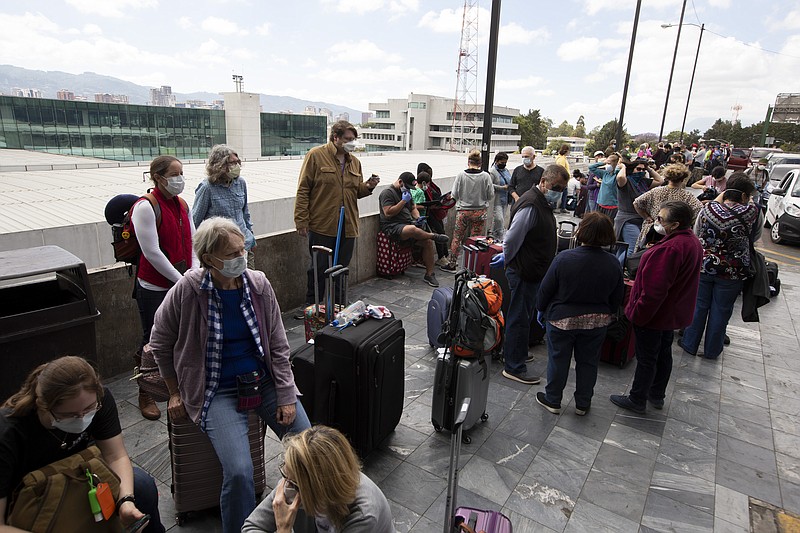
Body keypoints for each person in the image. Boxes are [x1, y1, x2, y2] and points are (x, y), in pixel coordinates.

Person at [148, 217, 311, 533]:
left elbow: (278, 344)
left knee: (308, 448)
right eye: (233, 253)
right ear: (209, 259)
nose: (242, 257)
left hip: (262, 381)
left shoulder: (258, 284)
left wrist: (286, 394)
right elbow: (160, 340)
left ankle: (306, 516)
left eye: (243, 249)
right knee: (239, 472)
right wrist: (175, 391)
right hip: (215, 390)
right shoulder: (188, 289)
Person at [0, 356, 165, 533]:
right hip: (31, 501)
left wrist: (126, 501)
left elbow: (115, 455)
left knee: (142, 486)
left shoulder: (100, 399)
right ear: (42, 405)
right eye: (69, 415)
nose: (81, 418)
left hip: (82, 478)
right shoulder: (8, 432)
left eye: (88, 409)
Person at [610, 201, 703, 414]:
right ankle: (656, 394)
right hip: (669, 314)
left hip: (655, 315)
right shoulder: (690, 242)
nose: (657, 222)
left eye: (661, 219)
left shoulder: (671, 248)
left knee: (647, 358)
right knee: (662, 354)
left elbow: (654, 290)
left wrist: (637, 314)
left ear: (676, 224)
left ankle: (638, 398)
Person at [535, 213, 624, 416]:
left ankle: (553, 399)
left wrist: (541, 310)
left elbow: (545, 290)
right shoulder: (613, 263)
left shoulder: (564, 257)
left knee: (558, 359)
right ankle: (583, 403)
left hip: (562, 318)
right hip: (597, 320)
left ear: (581, 231)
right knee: (588, 362)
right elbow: (617, 297)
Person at [489, 165, 570, 385]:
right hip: (523, 270)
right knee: (519, 317)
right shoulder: (532, 203)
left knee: (524, 314)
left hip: (532, 271)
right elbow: (513, 238)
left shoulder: (540, 201)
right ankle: (514, 366)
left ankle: (518, 352)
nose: (559, 192)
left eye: (562, 189)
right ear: (544, 181)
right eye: (556, 187)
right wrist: (508, 259)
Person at [132, 155, 198, 420]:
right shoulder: (145, 207)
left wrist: (192, 272)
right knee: (151, 340)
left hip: (180, 281)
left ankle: (175, 386)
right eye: (174, 174)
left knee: (180, 335)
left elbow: (193, 240)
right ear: (158, 177)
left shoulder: (182, 204)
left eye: (181, 173)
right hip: (154, 286)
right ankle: (145, 390)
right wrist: (182, 280)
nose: (179, 179)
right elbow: (152, 252)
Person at [242, 426, 395, 533]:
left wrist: (284, 530)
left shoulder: (363, 515)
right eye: (285, 475)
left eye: (294, 484)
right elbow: (252, 527)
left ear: (319, 487)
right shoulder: (295, 480)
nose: (285, 486)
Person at [294, 120, 380, 309]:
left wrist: (368, 186)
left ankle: (340, 305)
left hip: (348, 225)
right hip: (322, 224)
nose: (352, 143)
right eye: (348, 139)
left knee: (341, 268)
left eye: (354, 139)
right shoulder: (316, 156)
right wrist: (301, 219)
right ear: (336, 138)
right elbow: (303, 189)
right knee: (318, 268)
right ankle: (313, 304)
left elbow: (356, 192)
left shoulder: (354, 162)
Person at [679, 174, 762, 360]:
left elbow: (697, 232)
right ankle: (712, 350)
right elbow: (755, 237)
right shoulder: (753, 211)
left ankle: (689, 343)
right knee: (722, 310)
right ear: (744, 196)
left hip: (704, 265)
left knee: (699, 306)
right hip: (734, 270)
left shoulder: (708, 208)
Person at [379, 172, 449, 287]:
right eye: (407, 187)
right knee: (413, 229)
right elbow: (388, 213)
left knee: (427, 241)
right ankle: (434, 236)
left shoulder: (407, 193)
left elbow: (413, 208)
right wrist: (402, 201)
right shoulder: (387, 193)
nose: (408, 190)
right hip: (392, 227)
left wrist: (417, 217)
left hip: (407, 224)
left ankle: (430, 274)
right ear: (400, 182)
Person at [193, 144, 257, 268]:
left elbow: (245, 213)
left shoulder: (241, 183)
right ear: (220, 165)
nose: (237, 166)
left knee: (249, 281)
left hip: (243, 244)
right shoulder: (207, 188)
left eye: (237, 162)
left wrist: (251, 236)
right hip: (220, 250)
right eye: (232, 163)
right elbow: (196, 220)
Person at [440, 150, 494, 273]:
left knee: (457, 238)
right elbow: (490, 195)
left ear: (468, 162)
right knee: (476, 240)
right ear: (480, 163)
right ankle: (472, 266)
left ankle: (452, 263)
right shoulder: (485, 176)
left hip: (463, 211)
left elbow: (454, 194)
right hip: (480, 212)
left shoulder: (461, 175)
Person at [632, 163, 703, 253]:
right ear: (683, 179)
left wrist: (646, 217)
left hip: (653, 228)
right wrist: (687, 223)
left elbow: (636, 203)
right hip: (674, 232)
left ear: (667, 178)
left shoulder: (656, 191)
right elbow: (699, 208)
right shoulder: (687, 196)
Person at [614, 158, 663, 264]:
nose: (641, 172)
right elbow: (621, 176)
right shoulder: (626, 181)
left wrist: (648, 168)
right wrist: (624, 167)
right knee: (632, 247)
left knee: (624, 248)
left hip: (640, 220)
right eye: (638, 169)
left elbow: (660, 181)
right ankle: (618, 269)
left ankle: (616, 267)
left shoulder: (643, 182)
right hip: (627, 219)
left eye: (643, 170)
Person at [416, 163, 451, 266]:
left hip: (434, 212)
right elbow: (416, 204)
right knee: (437, 233)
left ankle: (444, 255)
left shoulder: (430, 185)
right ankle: (441, 257)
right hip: (427, 214)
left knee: (441, 231)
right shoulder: (420, 188)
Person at [590, 153, 623, 219]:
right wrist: (603, 162)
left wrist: (618, 164)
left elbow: (618, 171)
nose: (607, 165)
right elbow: (591, 168)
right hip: (600, 204)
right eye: (607, 163)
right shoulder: (604, 174)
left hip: (612, 206)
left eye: (609, 163)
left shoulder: (617, 175)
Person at [489, 152, 511, 241]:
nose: (504, 164)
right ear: (497, 161)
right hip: (496, 199)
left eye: (505, 163)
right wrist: (502, 188)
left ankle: (495, 236)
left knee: (499, 221)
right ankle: (500, 237)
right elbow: (490, 185)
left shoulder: (506, 170)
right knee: (499, 219)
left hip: (505, 199)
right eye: (502, 163)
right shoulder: (492, 172)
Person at [554, 144, 571, 213]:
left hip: (565, 179)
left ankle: (563, 207)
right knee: (558, 193)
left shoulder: (563, 158)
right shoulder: (561, 159)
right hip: (562, 179)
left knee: (564, 193)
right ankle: (555, 207)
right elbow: (561, 169)